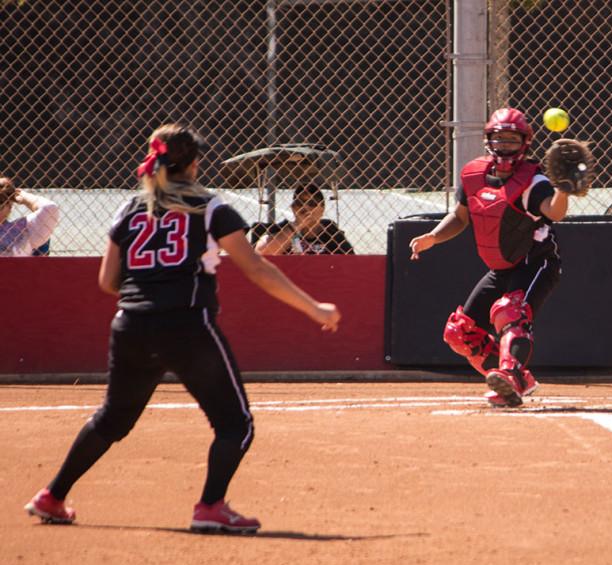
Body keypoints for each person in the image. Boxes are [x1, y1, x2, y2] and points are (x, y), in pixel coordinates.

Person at [24, 124, 341, 532]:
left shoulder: (130, 209)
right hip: (187, 325)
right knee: (235, 424)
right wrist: (314, 308)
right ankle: (210, 506)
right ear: (193, 164)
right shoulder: (210, 208)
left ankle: (52, 496)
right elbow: (257, 267)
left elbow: (107, 281)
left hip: (131, 325)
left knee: (111, 420)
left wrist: (150, 285)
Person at [409, 107, 576, 407]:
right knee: (460, 333)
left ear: (524, 143)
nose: (504, 147)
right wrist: (433, 237)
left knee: (510, 313)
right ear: (488, 141)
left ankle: (511, 374)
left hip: (536, 262)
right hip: (500, 267)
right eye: (499, 140)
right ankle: (512, 380)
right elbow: (460, 218)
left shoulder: (532, 181)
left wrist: (563, 189)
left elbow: (555, 212)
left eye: (511, 140)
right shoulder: (474, 175)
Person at [255, 184, 355, 255]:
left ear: (322, 209)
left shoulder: (331, 233)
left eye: (312, 204)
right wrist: (297, 226)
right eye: (300, 203)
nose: (305, 208)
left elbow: (349, 262)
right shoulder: (282, 229)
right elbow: (261, 252)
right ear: (293, 207)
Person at [0, 177, 61, 256]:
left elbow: (49, 209)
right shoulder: (20, 231)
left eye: (1, 201)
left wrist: (24, 197)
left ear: (9, 206)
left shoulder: (18, 231)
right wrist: (25, 197)